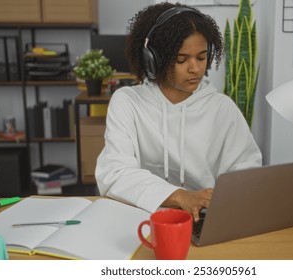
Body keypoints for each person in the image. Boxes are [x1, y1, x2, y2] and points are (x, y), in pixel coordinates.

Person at [95, 2, 262, 222]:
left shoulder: (222, 108)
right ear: (154, 60)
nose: (195, 68)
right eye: (181, 60)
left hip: (203, 220)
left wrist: (218, 200)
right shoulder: (128, 103)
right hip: (141, 218)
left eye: (201, 57)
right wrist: (181, 196)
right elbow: (115, 173)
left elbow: (246, 170)